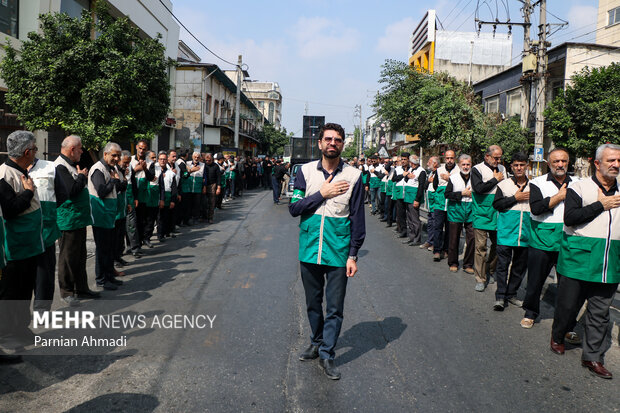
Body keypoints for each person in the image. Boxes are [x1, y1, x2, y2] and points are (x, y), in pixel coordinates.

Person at [289, 123, 365, 380]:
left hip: (338, 251)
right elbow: (294, 207)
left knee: (334, 307)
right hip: (309, 249)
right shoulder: (305, 171)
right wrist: (322, 193)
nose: (333, 143)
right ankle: (316, 340)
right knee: (312, 303)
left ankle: (327, 354)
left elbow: (357, 218)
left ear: (343, 145)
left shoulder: (354, 176)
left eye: (338, 140)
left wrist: (353, 254)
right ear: (320, 143)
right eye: (328, 139)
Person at [550, 144, 620, 379]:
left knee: (600, 313)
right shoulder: (579, 188)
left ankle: (592, 357)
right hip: (577, 260)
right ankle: (558, 336)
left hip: (608, 263)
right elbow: (570, 219)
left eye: (619, 161)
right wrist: (601, 205)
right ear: (597, 163)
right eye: (611, 160)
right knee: (568, 307)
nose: (616, 165)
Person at [521, 149, 583, 344]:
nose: (560, 164)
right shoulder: (537, 183)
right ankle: (530, 312)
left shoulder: (579, 184)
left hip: (569, 240)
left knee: (570, 287)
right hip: (542, 240)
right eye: (556, 161)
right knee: (535, 280)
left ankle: (567, 326)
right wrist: (560, 196)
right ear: (549, 163)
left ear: (568, 162)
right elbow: (537, 209)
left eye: (563, 161)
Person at [0, 131, 44, 347]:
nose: (36, 153)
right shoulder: (4, 176)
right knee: (11, 293)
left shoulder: (21, 171)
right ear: (27, 152)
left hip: (29, 245)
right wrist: (27, 193)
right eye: (35, 149)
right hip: (15, 248)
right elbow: (9, 210)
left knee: (25, 290)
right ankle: (7, 335)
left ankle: (21, 328)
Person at [55, 135, 100, 300]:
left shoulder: (71, 165)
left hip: (79, 219)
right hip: (69, 220)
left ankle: (81, 289)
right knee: (67, 257)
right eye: (80, 148)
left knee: (80, 256)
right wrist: (81, 176)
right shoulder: (60, 166)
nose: (82, 151)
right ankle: (67, 292)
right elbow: (71, 191)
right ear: (72, 149)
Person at [491, 152, 530, 311]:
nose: (519, 168)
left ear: (527, 166)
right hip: (506, 232)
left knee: (519, 268)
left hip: (525, 234)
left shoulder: (534, 186)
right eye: (516, 165)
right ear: (511, 167)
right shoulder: (504, 185)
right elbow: (497, 205)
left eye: (522, 165)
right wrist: (515, 198)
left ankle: (511, 294)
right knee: (502, 265)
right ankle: (500, 296)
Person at [88, 142, 123, 290]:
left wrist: (119, 181)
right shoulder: (98, 169)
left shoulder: (111, 168)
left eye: (118, 156)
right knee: (102, 249)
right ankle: (101, 279)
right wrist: (114, 181)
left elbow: (120, 187)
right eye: (114, 155)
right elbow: (101, 191)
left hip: (109, 215)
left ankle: (109, 275)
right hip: (101, 214)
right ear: (105, 154)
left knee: (109, 248)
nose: (116, 158)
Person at [471, 145, 506, 292]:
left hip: (498, 212)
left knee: (499, 245)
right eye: (495, 158)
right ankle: (480, 278)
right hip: (481, 213)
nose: (498, 160)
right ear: (487, 157)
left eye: (499, 158)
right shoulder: (477, 169)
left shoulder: (503, 169)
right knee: (480, 247)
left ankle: (490, 270)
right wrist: (494, 180)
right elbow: (478, 188)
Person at [29, 156, 62, 310]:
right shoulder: (5, 171)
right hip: (20, 233)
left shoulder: (49, 167)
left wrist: (48, 214)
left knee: (44, 272)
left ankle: (42, 309)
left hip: (46, 230)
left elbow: (62, 194)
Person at [445, 154, 475, 273]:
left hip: (471, 210)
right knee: (453, 238)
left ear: (471, 165)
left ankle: (468, 264)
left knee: (472, 238)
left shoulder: (475, 177)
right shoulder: (453, 178)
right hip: (456, 210)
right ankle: (453, 262)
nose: (466, 167)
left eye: (468, 164)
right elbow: (447, 194)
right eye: (463, 164)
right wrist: (461, 193)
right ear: (459, 165)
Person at [430, 150, 459, 261]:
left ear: (455, 158)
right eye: (447, 158)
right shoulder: (439, 170)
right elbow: (435, 185)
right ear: (444, 158)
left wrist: (449, 179)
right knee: (437, 227)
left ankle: (446, 250)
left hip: (452, 204)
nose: (449, 160)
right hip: (440, 204)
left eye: (451, 158)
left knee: (449, 229)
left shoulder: (459, 170)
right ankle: (437, 250)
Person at [131, 140, 155, 248]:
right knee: (131, 222)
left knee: (142, 220)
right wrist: (135, 169)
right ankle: (131, 245)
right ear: (136, 147)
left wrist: (145, 168)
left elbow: (151, 178)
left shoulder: (150, 162)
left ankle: (141, 241)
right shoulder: (130, 160)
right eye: (140, 148)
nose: (141, 151)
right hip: (131, 194)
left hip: (143, 196)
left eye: (144, 149)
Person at [401, 155, 426, 246]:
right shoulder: (411, 170)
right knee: (409, 218)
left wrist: (417, 199)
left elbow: (421, 186)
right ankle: (411, 237)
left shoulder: (421, 171)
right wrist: (408, 175)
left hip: (414, 197)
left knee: (415, 219)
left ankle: (417, 238)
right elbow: (406, 179)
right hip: (408, 196)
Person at [155, 151, 177, 241]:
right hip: (154, 197)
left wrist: (173, 200)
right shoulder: (154, 170)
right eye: (161, 159)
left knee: (164, 217)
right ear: (158, 160)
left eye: (164, 159)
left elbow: (174, 187)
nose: (162, 161)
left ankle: (162, 234)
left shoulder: (171, 173)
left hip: (167, 197)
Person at [113, 152, 130, 270]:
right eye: (125, 162)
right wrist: (123, 181)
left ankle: (119, 256)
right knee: (115, 237)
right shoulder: (114, 172)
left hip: (122, 208)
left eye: (128, 162)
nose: (126, 165)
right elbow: (119, 186)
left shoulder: (122, 172)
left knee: (121, 237)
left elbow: (125, 188)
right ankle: (114, 259)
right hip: (115, 211)